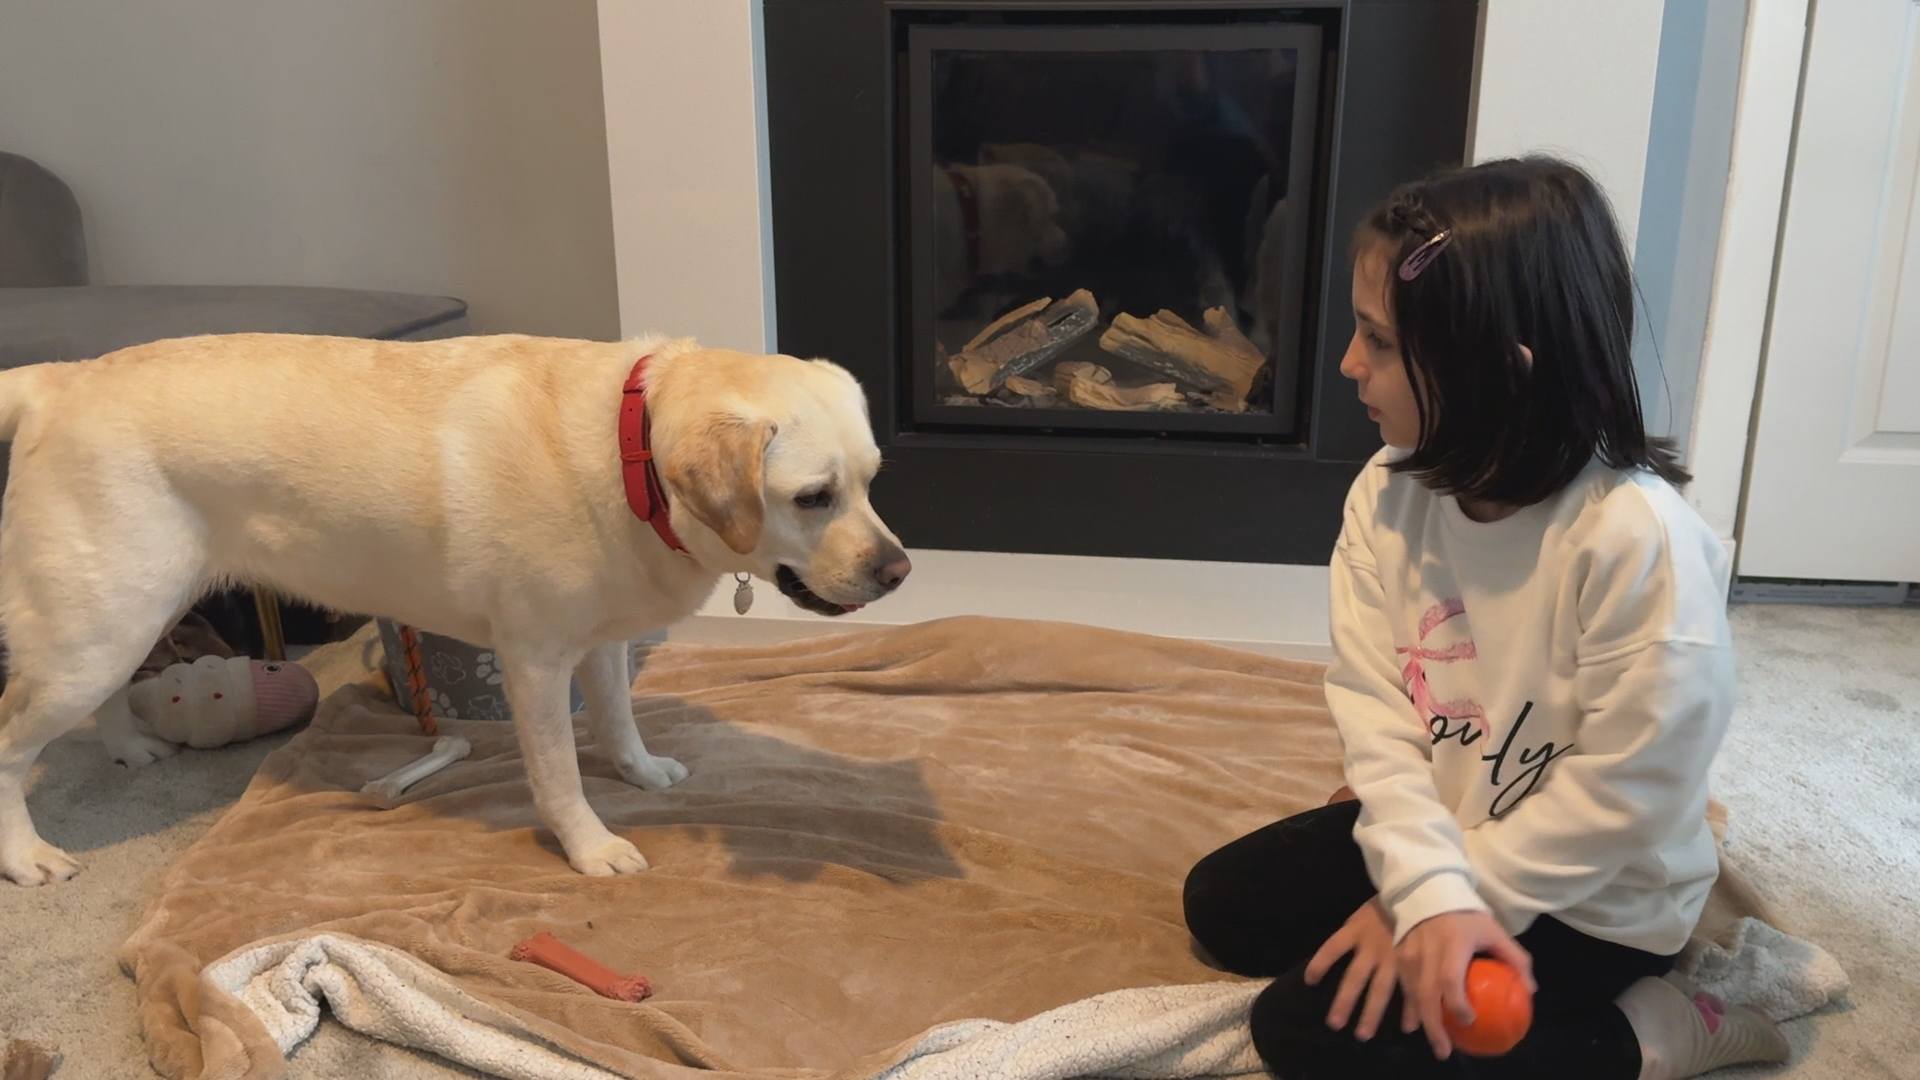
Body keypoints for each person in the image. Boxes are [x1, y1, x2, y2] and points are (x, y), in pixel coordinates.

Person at [1183, 156, 1791, 1079]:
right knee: (1224, 904)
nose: (1348, 364)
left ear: (1500, 372)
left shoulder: (1636, 543)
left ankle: (1658, 1032)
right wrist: (1421, 880)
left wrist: (1442, 902)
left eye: (1380, 342)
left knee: (1305, 1033)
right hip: (1461, 830)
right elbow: (1378, 715)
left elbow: (1635, 788)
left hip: (1596, 894)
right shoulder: (1386, 495)